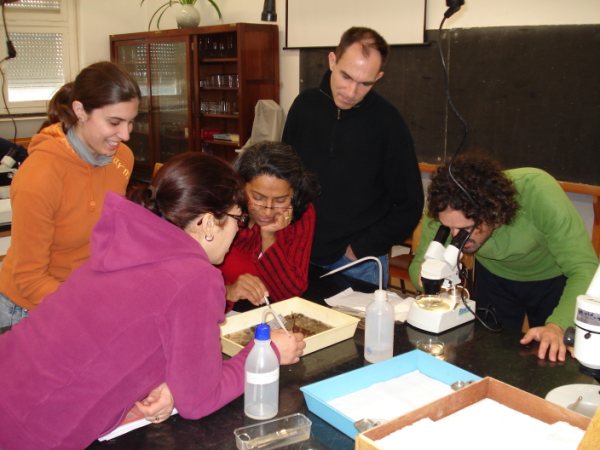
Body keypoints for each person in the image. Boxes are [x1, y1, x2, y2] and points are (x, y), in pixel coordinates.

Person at [0, 152, 305, 449]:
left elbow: (126, 337)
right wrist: (268, 351)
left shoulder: (127, 242)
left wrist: (167, 381)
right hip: (28, 432)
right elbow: (199, 401)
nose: (239, 230)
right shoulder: (195, 277)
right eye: (238, 219)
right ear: (209, 223)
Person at [408, 152, 598, 362]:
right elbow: (419, 265)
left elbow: (584, 267)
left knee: (550, 355)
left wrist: (558, 326)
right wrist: (431, 280)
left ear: (493, 213)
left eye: (465, 229)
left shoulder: (538, 192)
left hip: (552, 280)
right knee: (487, 357)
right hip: (493, 278)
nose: (455, 236)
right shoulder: (447, 205)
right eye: (448, 227)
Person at [0, 61, 139, 328]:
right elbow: (29, 278)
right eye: (114, 122)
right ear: (80, 111)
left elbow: (108, 235)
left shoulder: (122, 158)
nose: (125, 135)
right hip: (31, 309)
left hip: (84, 294)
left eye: (130, 122)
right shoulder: (40, 175)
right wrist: (91, 306)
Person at [282, 26, 424, 287]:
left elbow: (410, 204)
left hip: (357, 263)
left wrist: (361, 248)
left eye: (365, 83)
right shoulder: (304, 107)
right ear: (332, 61)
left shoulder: (388, 123)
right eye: (346, 76)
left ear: (378, 77)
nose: (350, 91)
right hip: (299, 252)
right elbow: (285, 178)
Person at [219, 141, 320, 310]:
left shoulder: (301, 212)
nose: (267, 211)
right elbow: (190, 285)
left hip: (268, 313)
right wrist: (227, 291)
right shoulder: (222, 209)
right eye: (258, 198)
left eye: (280, 200)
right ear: (240, 186)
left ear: (294, 194)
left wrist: (269, 237)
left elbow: (290, 294)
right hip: (221, 312)